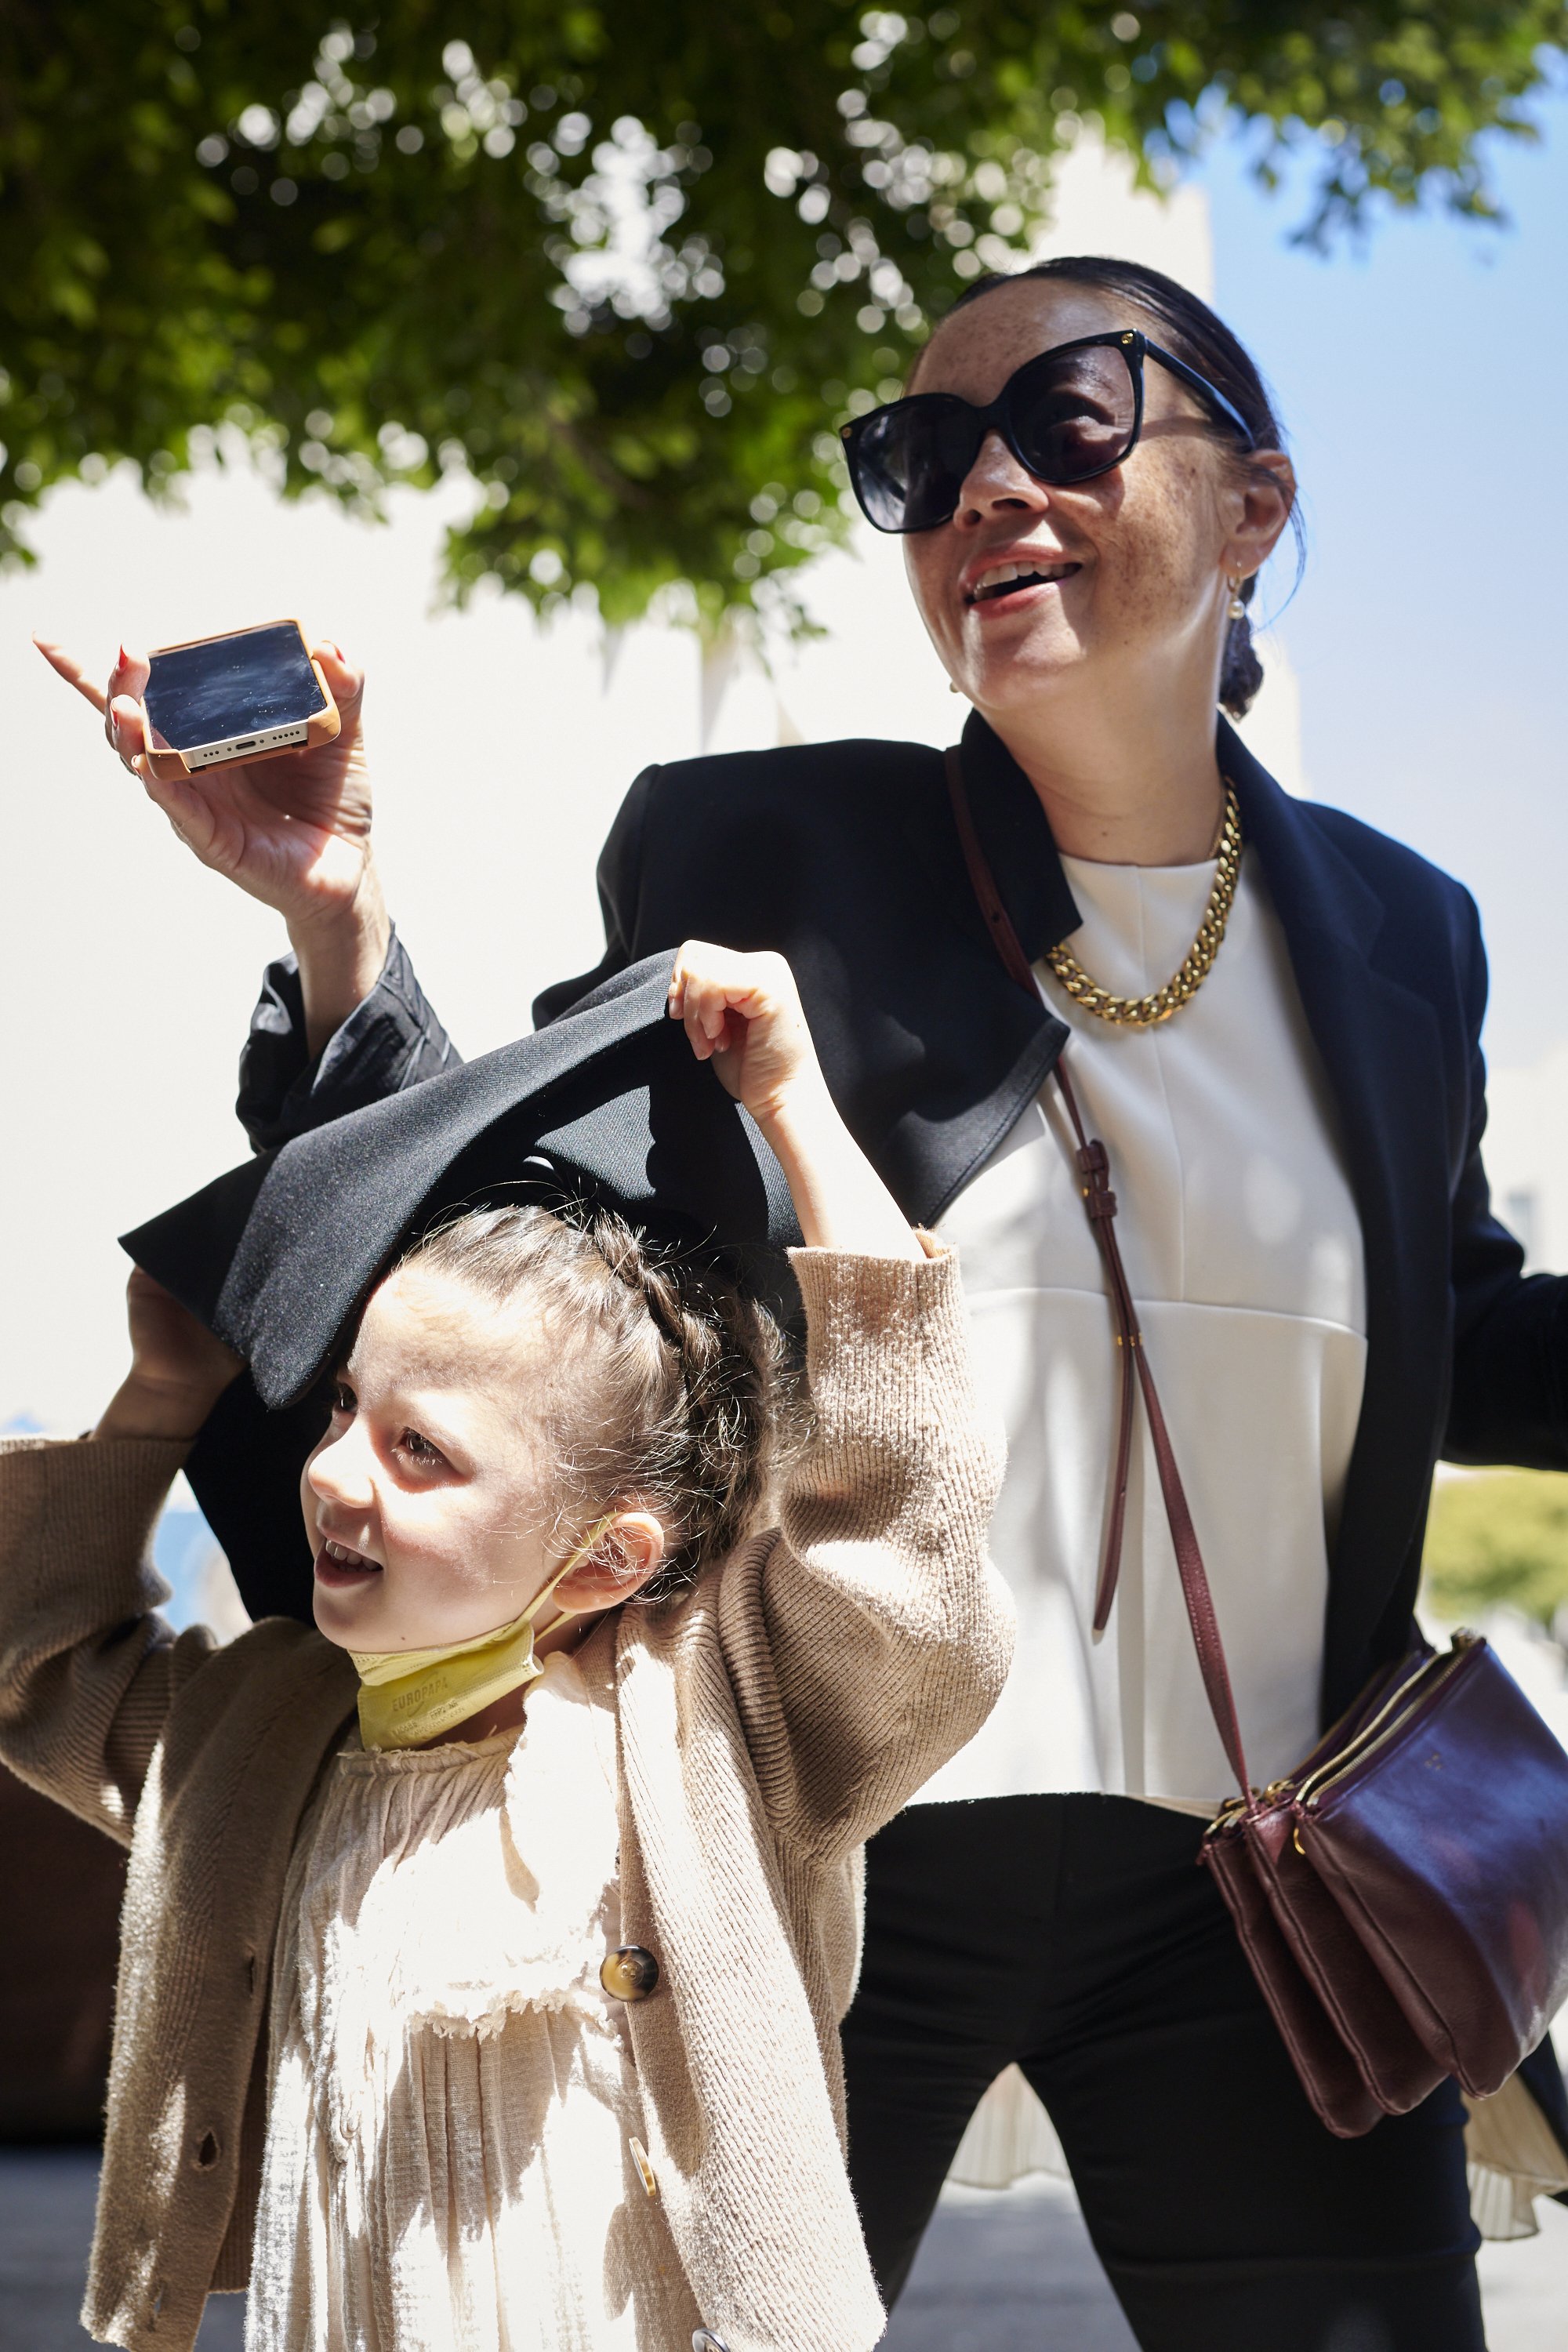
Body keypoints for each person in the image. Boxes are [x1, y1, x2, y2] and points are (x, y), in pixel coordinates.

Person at [42, 252, 1568, 2350]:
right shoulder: (772, 849)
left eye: (1069, 420)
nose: (986, 490)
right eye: (924, 456)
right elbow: (525, 1241)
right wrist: (337, 922)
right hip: (817, 1838)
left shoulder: (1406, 932)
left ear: (1254, 506)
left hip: (1262, 1883)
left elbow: (1454, 1335)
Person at [0, 942, 1013, 2352]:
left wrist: (795, 1103)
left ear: (606, 1557)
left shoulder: (717, 1726)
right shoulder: (257, 1736)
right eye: (348, 1409)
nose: (338, 1474)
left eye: (424, 1453)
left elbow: (902, 1539)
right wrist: (159, 1395)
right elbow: (37, 1664)